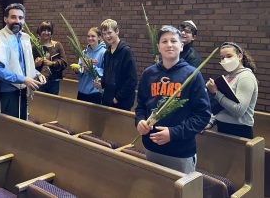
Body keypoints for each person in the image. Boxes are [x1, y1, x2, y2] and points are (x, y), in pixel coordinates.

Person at [135, 25, 211, 174]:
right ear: (158, 46)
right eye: (164, 41)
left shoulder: (192, 75)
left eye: (173, 41)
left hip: (180, 151)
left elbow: (203, 115)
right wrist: (139, 122)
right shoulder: (148, 74)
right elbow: (141, 107)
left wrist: (173, 133)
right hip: (152, 148)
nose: (169, 45)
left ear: (181, 46)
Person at [0, 3, 46, 120]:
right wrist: (23, 79)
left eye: (20, 18)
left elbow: (23, 64)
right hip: (8, 94)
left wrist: (36, 73)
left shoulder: (24, 38)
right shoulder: (1, 41)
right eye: (13, 17)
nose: (17, 20)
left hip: (22, 91)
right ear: (5, 19)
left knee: (21, 125)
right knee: (10, 131)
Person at [206, 42, 258, 139]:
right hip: (222, 127)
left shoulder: (246, 77)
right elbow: (221, 107)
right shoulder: (228, 77)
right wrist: (212, 121)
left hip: (239, 130)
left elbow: (239, 110)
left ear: (239, 56)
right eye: (222, 57)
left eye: (229, 56)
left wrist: (216, 93)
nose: (225, 60)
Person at [95, 19, 137, 111]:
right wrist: (101, 83)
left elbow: (132, 80)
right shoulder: (107, 53)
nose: (107, 36)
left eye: (109, 32)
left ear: (117, 31)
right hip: (108, 99)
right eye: (104, 34)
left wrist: (117, 98)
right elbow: (107, 75)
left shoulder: (126, 51)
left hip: (121, 102)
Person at [72, 27, 106, 104]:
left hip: (95, 93)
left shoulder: (104, 53)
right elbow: (80, 75)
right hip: (82, 91)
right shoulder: (84, 52)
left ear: (99, 37)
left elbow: (105, 73)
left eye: (93, 36)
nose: (90, 38)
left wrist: (91, 68)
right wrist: (77, 71)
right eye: (88, 36)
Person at [33, 21, 68, 95]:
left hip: (54, 82)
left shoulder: (57, 45)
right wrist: (35, 64)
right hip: (39, 81)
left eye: (48, 30)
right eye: (44, 30)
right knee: (39, 103)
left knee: (52, 103)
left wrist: (52, 63)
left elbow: (64, 63)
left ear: (51, 32)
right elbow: (28, 65)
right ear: (39, 32)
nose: (46, 32)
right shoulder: (35, 47)